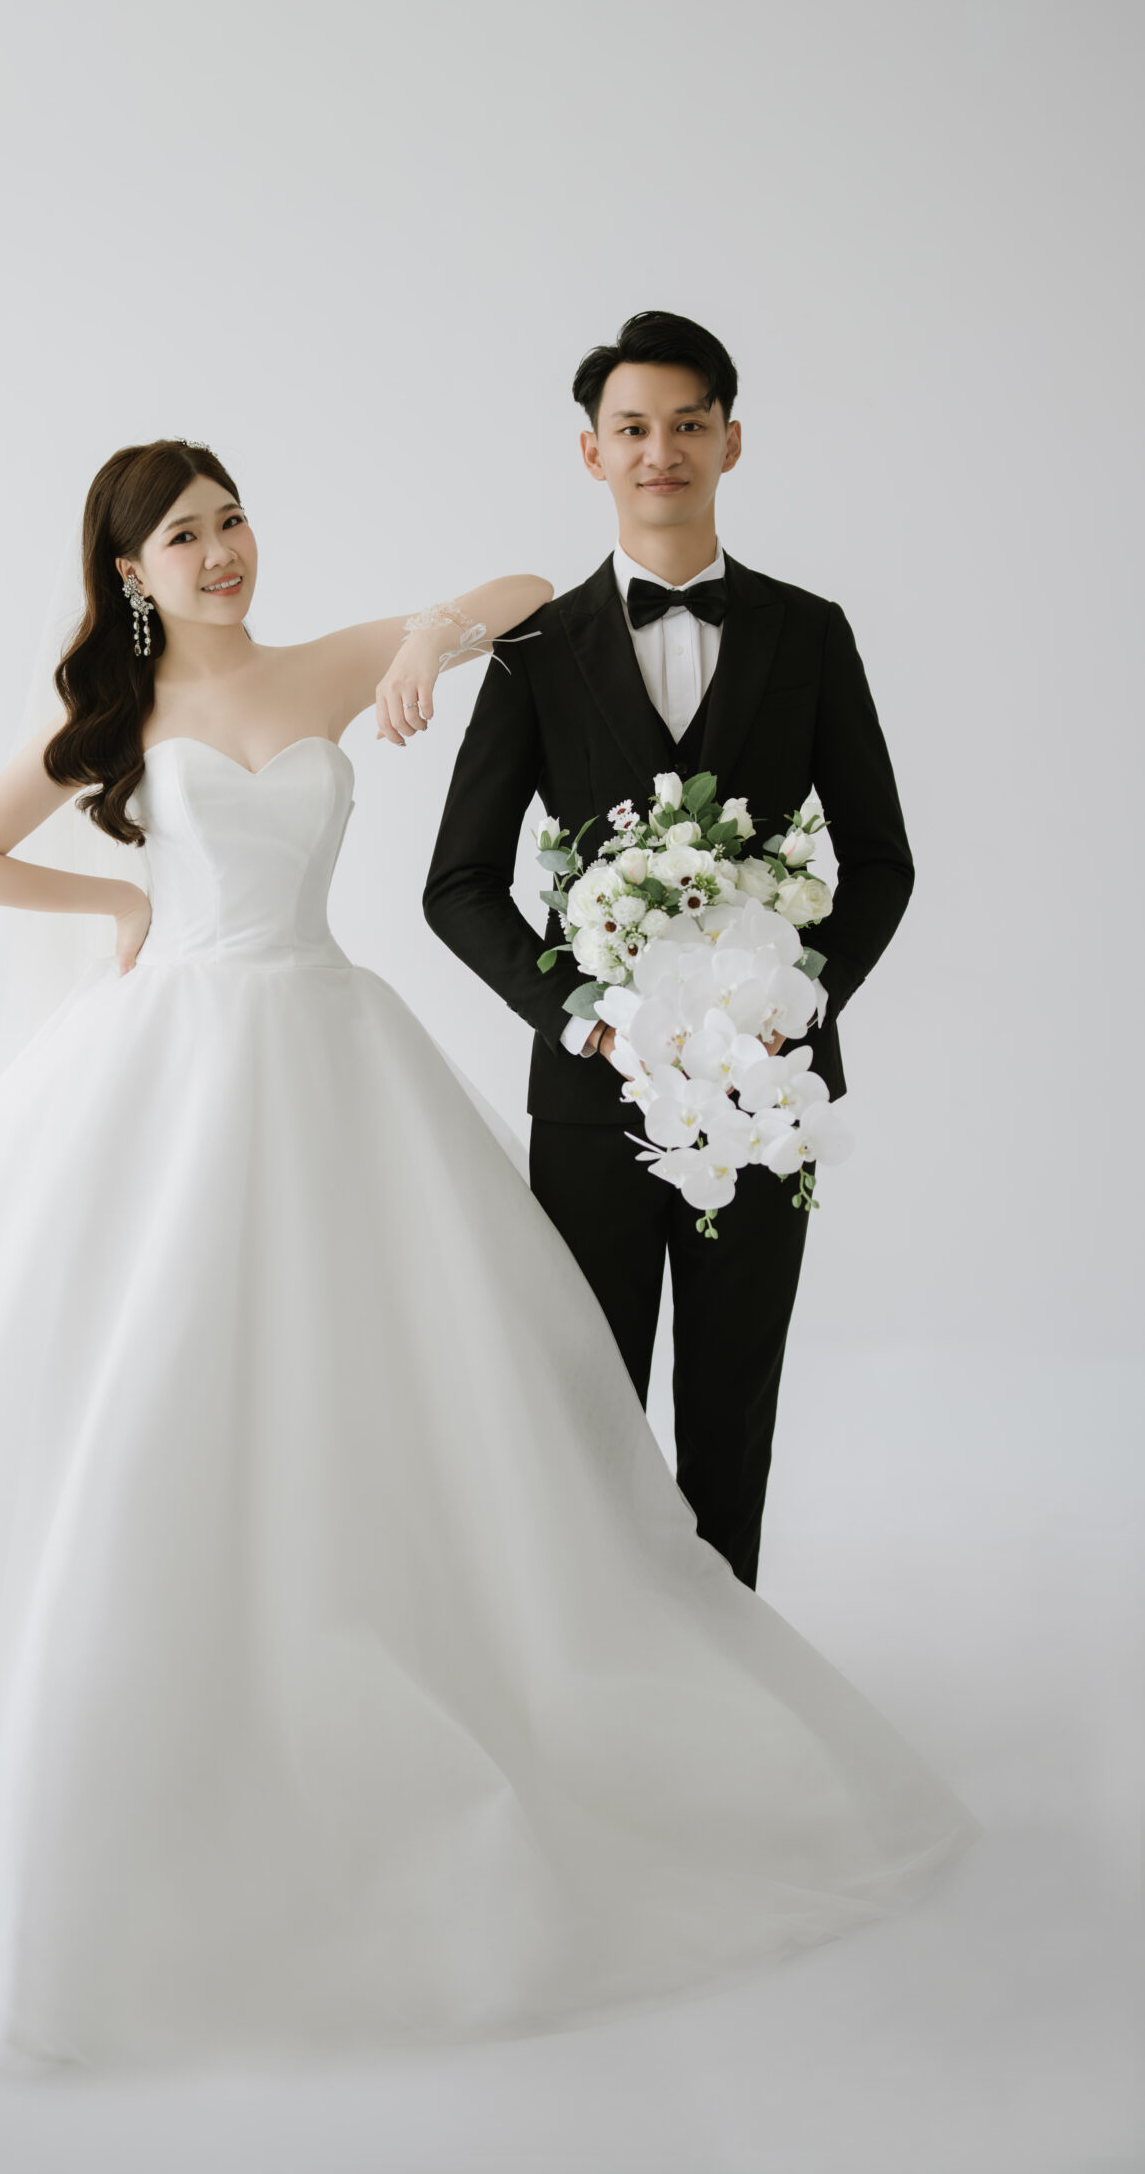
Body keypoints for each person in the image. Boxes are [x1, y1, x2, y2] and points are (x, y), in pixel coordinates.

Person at [0, 438, 970, 2071]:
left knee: (375, 1385)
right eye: (184, 535)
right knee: (130, 1374)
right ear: (130, 572)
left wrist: (425, 635)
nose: (224, 551)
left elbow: (529, 594)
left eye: (232, 520)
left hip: (329, 1048)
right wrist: (116, 915)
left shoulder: (324, 666)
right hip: (174, 1058)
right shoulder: (114, 712)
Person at [424, 312, 914, 1589]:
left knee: (732, 1413)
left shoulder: (811, 633)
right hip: (594, 1101)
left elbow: (883, 859)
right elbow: (457, 883)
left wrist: (798, 1001)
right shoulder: (537, 650)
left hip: (766, 1094)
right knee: (585, 1413)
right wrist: (579, 1015)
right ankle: (594, 1673)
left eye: (689, 424)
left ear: (730, 441)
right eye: (633, 428)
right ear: (592, 452)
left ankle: (728, 1670)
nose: (662, 451)